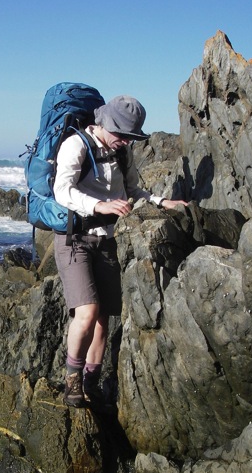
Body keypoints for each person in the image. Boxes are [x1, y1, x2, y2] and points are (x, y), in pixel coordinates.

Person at [53, 95, 188, 408]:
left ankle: (91, 383)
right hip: (75, 240)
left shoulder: (121, 152)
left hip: (107, 240)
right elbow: (62, 190)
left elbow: (132, 191)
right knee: (86, 313)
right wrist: (98, 205)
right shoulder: (76, 146)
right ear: (103, 124)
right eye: (121, 135)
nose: (125, 141)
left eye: (130, 137)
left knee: (103, 318)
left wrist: (161, 202)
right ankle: (71, 382)